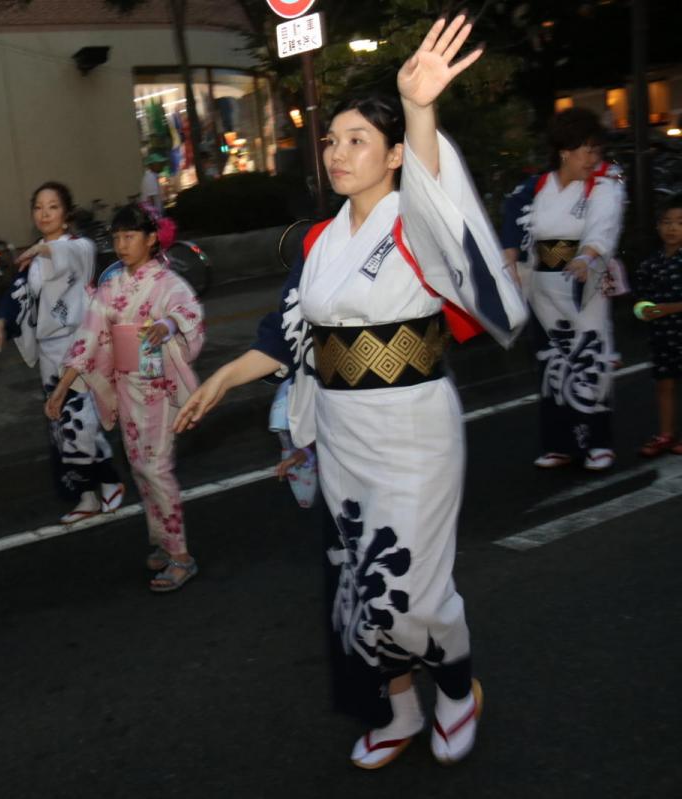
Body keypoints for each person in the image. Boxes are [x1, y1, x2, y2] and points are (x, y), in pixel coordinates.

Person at [174, 16, 526, 768]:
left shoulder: (415, 221)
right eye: (331, 140)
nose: (338, 152)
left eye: (358, 139)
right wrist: (223, 378)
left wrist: (422, 108)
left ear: (395, 153)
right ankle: (400, 709)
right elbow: (289, 332)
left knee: (414, 586)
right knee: (362, 579)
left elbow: (443, 199)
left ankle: (457, 688)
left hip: (412, 428)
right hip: (342, 431)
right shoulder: (320, 240)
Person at [46, 204, 204, 591]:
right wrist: (63, 387)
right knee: (139, 467)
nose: (121, 244)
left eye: (130, 236)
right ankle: (163, 542)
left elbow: (190, 315)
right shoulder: (111, 287)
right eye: (116, 237)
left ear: (152, 239)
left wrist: (167, 325)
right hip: (127, 388)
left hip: (159, 387)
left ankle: (181, 555)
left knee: (156, 468)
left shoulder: (168, 283)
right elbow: (89, 337)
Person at [0, 181, 124, 524]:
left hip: (76, 343)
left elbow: (67, 257)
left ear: (66, 215)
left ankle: (105, 483)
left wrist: (40, 251)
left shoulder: (78, 247)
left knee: (80, 419)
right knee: (61, 425)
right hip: (48, 351)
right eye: (39, 207)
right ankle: (88, 493)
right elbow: (17, 294)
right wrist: (1, 322)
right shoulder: (32, 258)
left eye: (53, 207)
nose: (44, 213)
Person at [500, 107, 626, 471]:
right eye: (586, 150)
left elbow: (605, 223)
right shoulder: (535, 186)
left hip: (584, 282)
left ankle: (598, 442)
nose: (593, 158)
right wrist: (509, 258)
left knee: (589, 356)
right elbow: (513, 217)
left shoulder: (606, 181)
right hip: (543, 285)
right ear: (564, 151)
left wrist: (588, 256)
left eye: (596, 150)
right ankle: (560, 443)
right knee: (552, 361)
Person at [633, 193, 682, 456]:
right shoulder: (650, 263)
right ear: (658, 226)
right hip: (662, 334)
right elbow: (640, 299)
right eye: (666, 222)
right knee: (664, 383)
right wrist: (644, 311)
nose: (672, 228)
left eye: (679, 222)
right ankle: (665, 434)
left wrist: (668, 309)